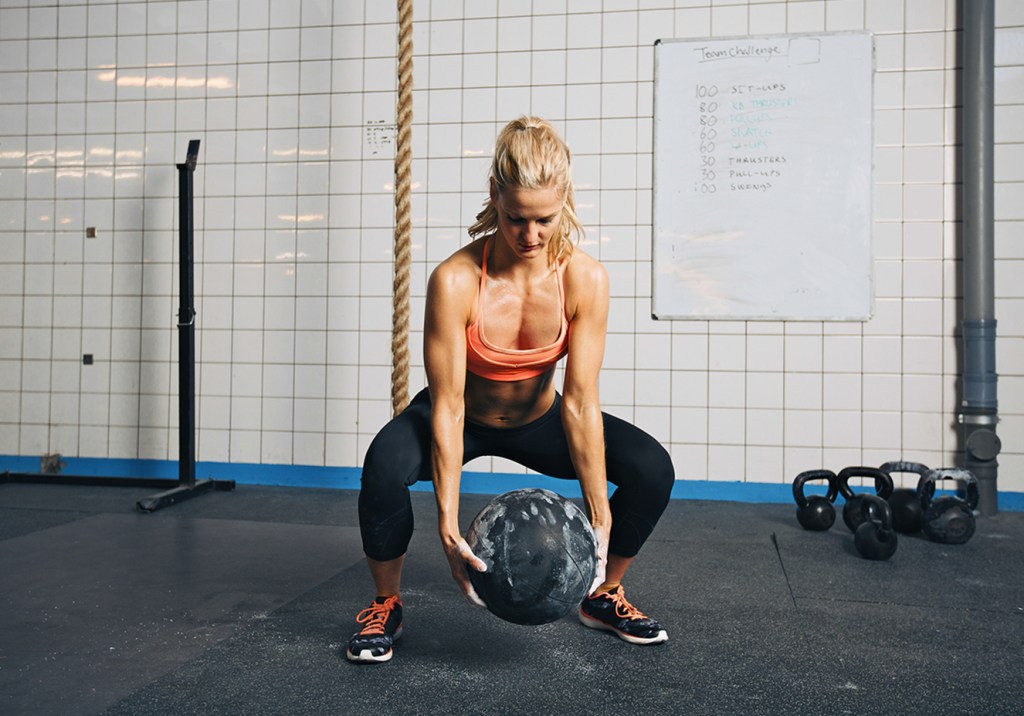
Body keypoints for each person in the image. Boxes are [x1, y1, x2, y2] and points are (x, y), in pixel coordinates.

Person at [346, 116, 675, 664]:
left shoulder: (585, 279)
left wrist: (599, 513)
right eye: (515, 218)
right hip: (463, 416)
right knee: (383, 464)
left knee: (652, 469)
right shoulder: (455, 280)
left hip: (539, 421)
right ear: (494, 195)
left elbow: (579, 401)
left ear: (564, 199)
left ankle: (602, 592)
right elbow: (448, 405)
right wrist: (447, 523)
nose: (530, 235)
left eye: (544, 219)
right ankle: (385, 603)